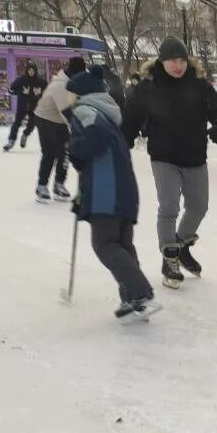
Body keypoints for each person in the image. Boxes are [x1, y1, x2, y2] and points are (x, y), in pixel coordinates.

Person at [122, 35, 217, 290]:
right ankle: (170, 258)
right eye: (172, 60)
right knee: (170, 205)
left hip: (195, 156)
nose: (178, 65)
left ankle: (182, 246)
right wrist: (121, 143)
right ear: (161, 61)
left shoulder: (198, 86)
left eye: (182, 59)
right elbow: (129, 121)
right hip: (164, 156)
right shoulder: (147, 89)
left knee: (198, 206)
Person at [66, 64, 158, 323]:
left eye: (70, 94)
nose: (68, 99)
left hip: (107, 192)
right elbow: (101, 158)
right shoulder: (108, 112)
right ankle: (132, 298)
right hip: (123, 190)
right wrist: (82, 197)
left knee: (104, 244)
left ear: (81, 93)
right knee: (122, 244)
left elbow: (96, 140)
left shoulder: (85, 110)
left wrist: (74, 148)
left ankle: (140, 293)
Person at [33, 56, 85, 203]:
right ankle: (42, 186)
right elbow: (68, 112)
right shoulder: (60, 85)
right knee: (50, 152)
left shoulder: (72, 82)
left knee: (65, 152)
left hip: (59, 120)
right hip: (44, 118)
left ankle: (59, 184)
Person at [5, 62, 45, 151]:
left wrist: (40, 93)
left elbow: (48, 91)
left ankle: (25, 135)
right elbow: (10, 90)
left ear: (35, 71)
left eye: (33, 70)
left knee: (31, 125)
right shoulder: (21, 80)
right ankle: (11, 141)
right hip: (22, 106)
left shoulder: (40, 81)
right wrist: (21, 91)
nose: (31, 72)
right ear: (27, 70)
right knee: (16, 124)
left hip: (34, 108)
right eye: (29, 70)